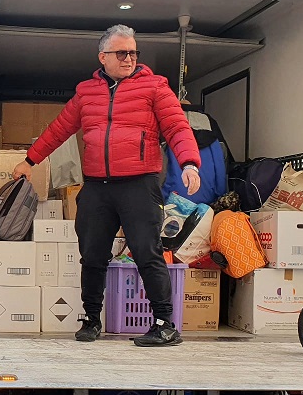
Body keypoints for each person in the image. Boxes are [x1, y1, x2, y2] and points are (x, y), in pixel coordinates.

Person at [12, 24, 201, 346]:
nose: (129, 58)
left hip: (139, 184)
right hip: (98, 186)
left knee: (147, 252)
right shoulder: (87, 92)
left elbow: (177, 127)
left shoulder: (155, 87)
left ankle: (165, 324)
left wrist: (190, 164)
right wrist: (30, 161)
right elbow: (59, 128)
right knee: (93, 255)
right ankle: (90, 320)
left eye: (133, 52)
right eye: (121, 53)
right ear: (103, 57)